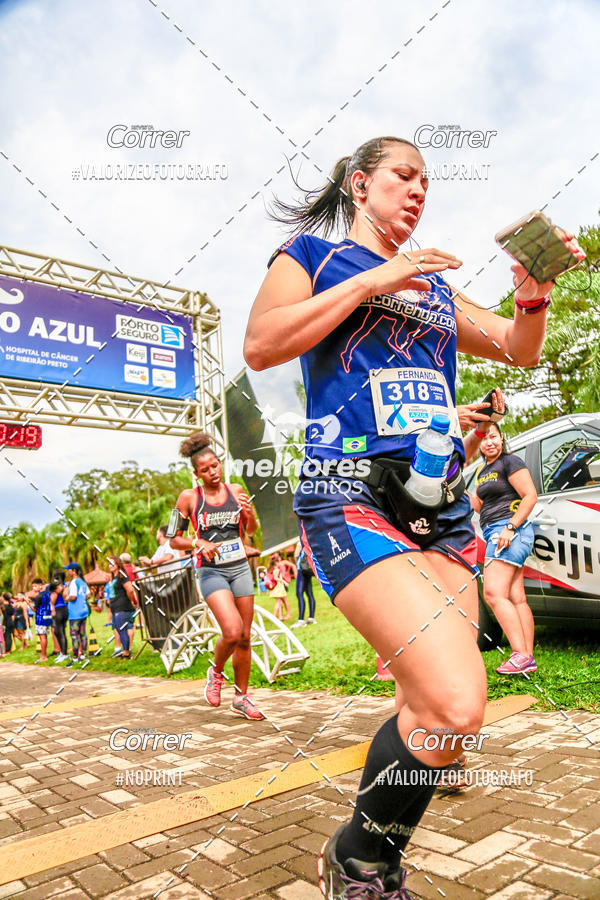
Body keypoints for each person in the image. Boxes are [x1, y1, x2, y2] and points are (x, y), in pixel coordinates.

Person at [244, 135, 584, 897]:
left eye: (428, 181)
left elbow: (515, 349)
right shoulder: (312, 255)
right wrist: (381, 278)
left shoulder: (434, 286)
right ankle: (361, 859)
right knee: (458, 704)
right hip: (349, 487)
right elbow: (263, 345)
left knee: (423, 705)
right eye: (404, 175)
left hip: (439, 501)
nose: (419, 189)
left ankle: (377, 846)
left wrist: (532, 294)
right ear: (360, 185)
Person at [170, 432, 265, 721]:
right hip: (210, 571)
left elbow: (250, 531)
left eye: (216, 465)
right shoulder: (189, 498)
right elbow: (173, 539)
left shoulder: (235, 490)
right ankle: (216, 671)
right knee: (233, 631)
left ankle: (242, 698)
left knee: (246, 638)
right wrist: (198, 542)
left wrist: (248, 514)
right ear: (195, 473)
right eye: (205, 469)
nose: (213, 472)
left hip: (239, 567)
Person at [471, 422, 539, 674]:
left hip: (509, 531)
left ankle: (520, 654)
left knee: (492, 593)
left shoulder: (510, 462)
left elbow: (530, 495)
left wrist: (510, 528)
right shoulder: (482, 471)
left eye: (493, 437)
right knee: (515, 597)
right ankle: (527, 657)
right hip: (496, 531)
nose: (489, 442)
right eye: (484, 438)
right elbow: (481, 507)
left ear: (501, 438)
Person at [107, 556, 137, 660]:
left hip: (123, 607)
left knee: (123, 629)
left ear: (118, 565)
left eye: (112, 563)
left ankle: (126, 653)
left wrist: (130, 600)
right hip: (115, 607)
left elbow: (130, 589)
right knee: (119, 630)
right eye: (109, 564)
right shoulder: (114, 577)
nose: (109, 566)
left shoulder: (122, 575)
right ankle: (124, 651)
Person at [64, 562, 90, 666]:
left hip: (75, 612)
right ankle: (83, 654)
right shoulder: (83, 581)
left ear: (73, 571)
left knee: (74, 634)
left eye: (68, 570)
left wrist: (67, 598)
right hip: (83, 611)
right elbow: (88, 595)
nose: (67, 572)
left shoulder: (74, 582)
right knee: (82, 633)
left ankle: (75, 657)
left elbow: (73, 596)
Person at [292, 540, 316, 627]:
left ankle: (301, 619)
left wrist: (296, 562)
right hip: (308, 569)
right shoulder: (309, 539)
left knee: (299, 593)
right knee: (309, 593)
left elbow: (296, 554)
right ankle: (311, 617)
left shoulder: (300, 540)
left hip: (301, 569)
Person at [268, 555, 291, 621]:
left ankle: (280, 616)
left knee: (279, 602)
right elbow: (276, 578)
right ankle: (274, 616)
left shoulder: (272, 569)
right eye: (279, 561)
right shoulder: (277, 569)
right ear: (276, 563)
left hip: (277, 587)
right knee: (278, 602)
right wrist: (284, 582)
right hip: (278, 587)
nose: (280, 563)